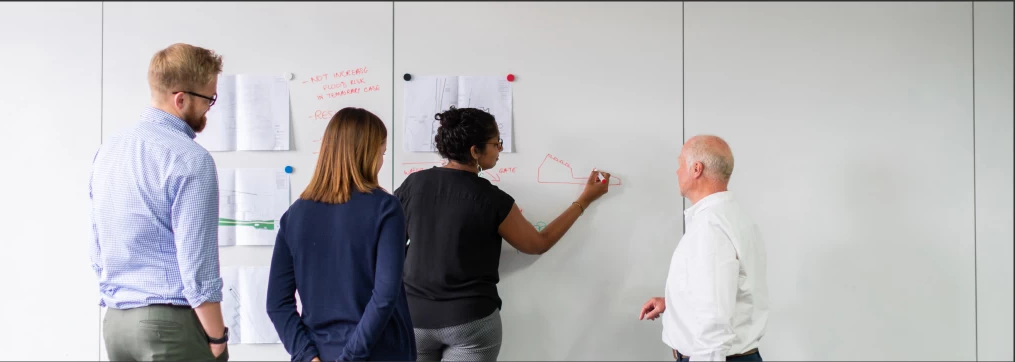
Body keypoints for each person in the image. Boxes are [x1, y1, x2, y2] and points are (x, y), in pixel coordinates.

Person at [394, 106, 612, 361]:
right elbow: (537, 244)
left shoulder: (413, 185)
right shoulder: (491, 199)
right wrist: (583, 200)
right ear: (475, 151)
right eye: (496, 143)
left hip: (414, 318)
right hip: (469, 321)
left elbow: (394, 242)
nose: (500, 149)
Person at [89, 43, 230, 361]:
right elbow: (198, 266)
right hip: (169, 326)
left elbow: (97, 248)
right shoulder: (191, 159)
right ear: (181, 99)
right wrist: (217, 336)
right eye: (209, 99)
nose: (210, 108)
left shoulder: (108, 149)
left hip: (116, 324)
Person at [266, 107, 416, 362]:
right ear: (368, 154)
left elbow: (277, 304)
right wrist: (351, 357)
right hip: (381, 352)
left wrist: (305, 354)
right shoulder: (385, 208)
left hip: (320, 352)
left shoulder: (295, 214)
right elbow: (384, 297)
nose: (381, 161)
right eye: (382, 152)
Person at [638, 135, 769, 362]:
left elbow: (714, 323)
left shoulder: (710, 227)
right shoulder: (733, 217)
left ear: (696, 169)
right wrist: (673, 302)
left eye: (680, 164)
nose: (677, 172)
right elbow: (725, 292)